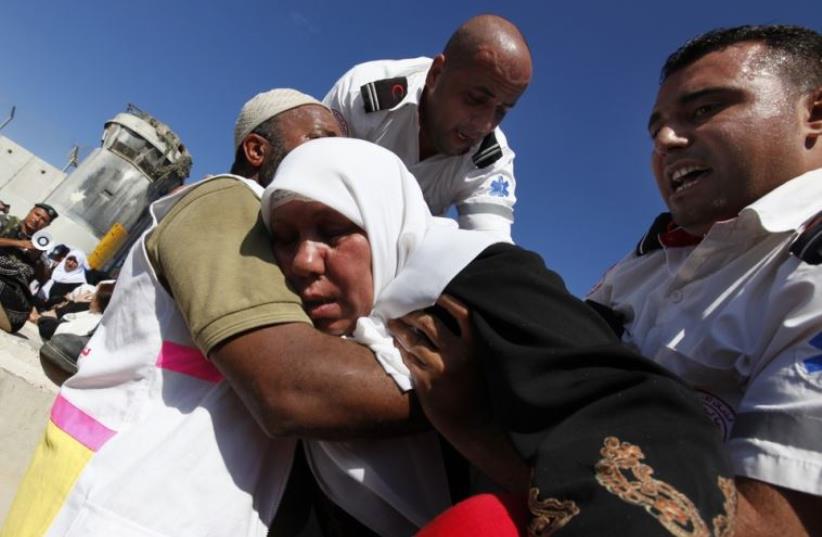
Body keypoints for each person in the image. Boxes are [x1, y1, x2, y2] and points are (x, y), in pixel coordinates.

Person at [262, 137, 737, 536]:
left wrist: (475, 430)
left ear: (384, 219)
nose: (303, 261)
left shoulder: (473, 280)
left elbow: (630, 419)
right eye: (284, 238)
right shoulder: (291, 314)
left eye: (333, 230)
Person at [1, 90, 420, 537]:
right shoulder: (226, 201)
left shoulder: (283, 240)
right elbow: (288, 387)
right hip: (103, 496)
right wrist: (466, 389)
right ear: (257, 150)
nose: (334, 157)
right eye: (319, 140)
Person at [584, 25, 822, 536]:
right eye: (656, 131)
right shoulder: (644, 265)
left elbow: (776, 527)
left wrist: (479, 428)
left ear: (815, 115)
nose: (666, 141)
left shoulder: (808, 267)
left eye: (703, 110)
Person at [323, 14, 532, 240]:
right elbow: (311, 172)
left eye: (501, 111)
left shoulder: (490, 160)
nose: (484, 125)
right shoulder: (363, 92)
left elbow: (489, 247)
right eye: (475, 99)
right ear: (436, 74)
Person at [0, 202, 58, 333]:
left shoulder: (41, 243)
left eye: (43, 220)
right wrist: (18, 243)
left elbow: (43, 278)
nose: (37, 220)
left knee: (19, 315)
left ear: (47, 225)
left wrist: (37, 259)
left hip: (12, 287)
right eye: (36, 214)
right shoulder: (7, 222)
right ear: (30, 211)